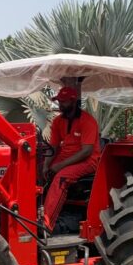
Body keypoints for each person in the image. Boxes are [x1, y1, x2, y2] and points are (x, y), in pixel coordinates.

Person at [42, 86, 101, 232]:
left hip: (88, 161)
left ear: (73, 101)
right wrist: (45, 165)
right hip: (66, 158)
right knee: (38, 171)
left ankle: (46, 223)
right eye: (59, 101)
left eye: (64, 101)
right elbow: (54, 147)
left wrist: (59, 166)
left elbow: (86, 151)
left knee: (61, 177)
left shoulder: (87, 121)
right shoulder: (58, 122)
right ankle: (34, 212)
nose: (60, 105)